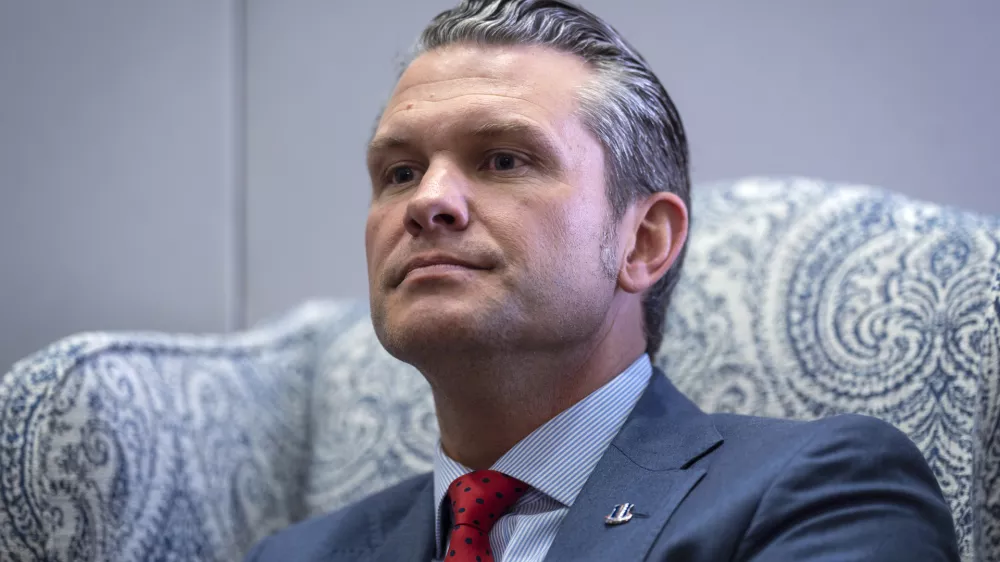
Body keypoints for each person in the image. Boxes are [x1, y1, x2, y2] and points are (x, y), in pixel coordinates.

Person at [245, 1, 959, 560]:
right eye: (399, 173)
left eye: (502, 160)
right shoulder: (295, 553)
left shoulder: (822, 490)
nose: (429, 200)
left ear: (643, 242)